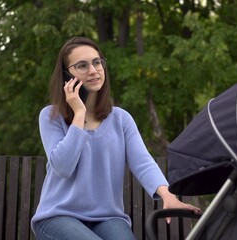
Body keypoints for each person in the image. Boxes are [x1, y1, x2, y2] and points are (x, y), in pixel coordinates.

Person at [31, 36, 201, 240]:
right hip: (57, 216)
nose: (93, 70)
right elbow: (63, 167)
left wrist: (167, 196)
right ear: (67, 75)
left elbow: (143, 162)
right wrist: (79, 114)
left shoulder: (121, 119)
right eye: (82, 66)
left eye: (97, 62)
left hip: (107, 218)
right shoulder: (51, 116)